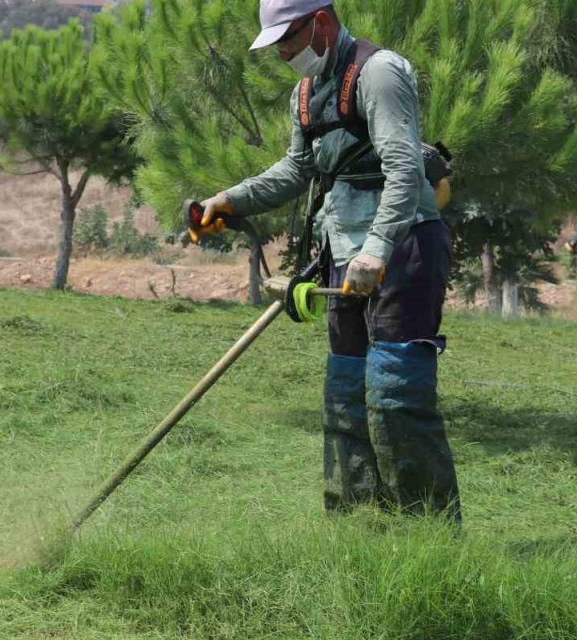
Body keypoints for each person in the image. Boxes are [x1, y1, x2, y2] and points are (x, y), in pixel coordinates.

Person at [193, 1, 460, 522]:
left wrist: (377, 249)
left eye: (287, 40)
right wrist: (229, 199)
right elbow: (297, 169)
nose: (283, 54)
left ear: (320, 21)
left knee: (395, 393)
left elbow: (405, 170)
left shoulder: (378, 72)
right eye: (275, 45)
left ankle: (425, 532)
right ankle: (357, 523)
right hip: (342, 250)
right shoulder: (306, 91)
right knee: (345, 391)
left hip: (402, 245)